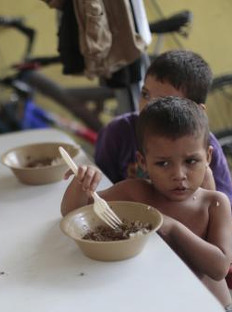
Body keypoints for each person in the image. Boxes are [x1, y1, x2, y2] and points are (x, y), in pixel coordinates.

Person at [61, 97, 232, 312]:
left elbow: (219, 267)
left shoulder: (214, 204)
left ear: (208, 156)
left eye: (191, 161)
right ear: (143, 163)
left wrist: (172, 227)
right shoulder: (136, 192)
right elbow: (75, 212)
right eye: (163, 163)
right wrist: (81, 184)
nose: (179, 174)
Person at [94, 49, 232, 204]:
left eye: (163, 102)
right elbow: (99, 187)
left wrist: (208, 188)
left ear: (197, 111)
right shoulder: (117, 132)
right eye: (145, 95)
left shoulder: (204, 147)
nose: (147, 107)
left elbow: (225, 208)